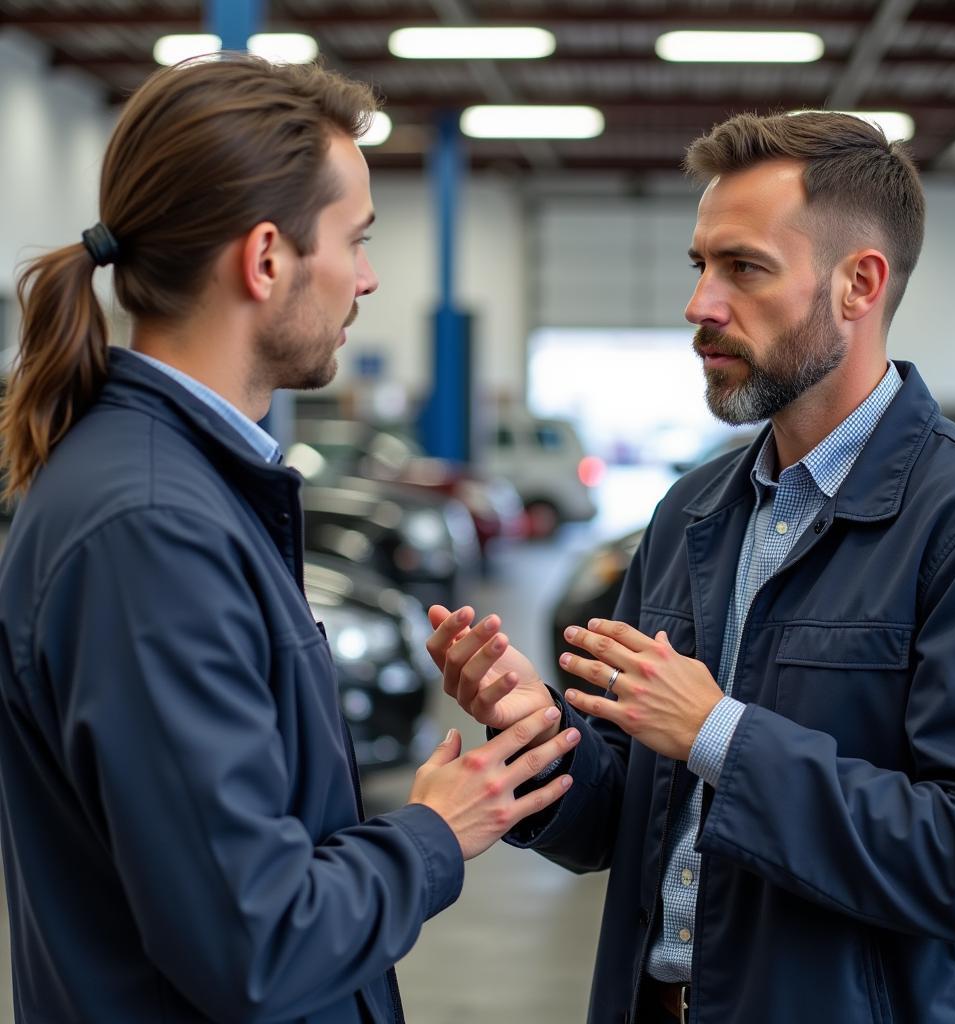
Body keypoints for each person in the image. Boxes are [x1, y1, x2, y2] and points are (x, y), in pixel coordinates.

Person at [0, 55, 579, 1024]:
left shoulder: (180, 489)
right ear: (266, 257)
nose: (366, 275)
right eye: (354, 238)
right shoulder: (152, 529)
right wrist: (434, 830)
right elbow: (254, 942)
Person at [427, 110, 955, 1023]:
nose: (700, 304)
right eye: (700, 265)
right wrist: (540, 730)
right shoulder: (691, 515)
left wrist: (721, 734)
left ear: (857, 284)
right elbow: (624, 823)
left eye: (743, 267)